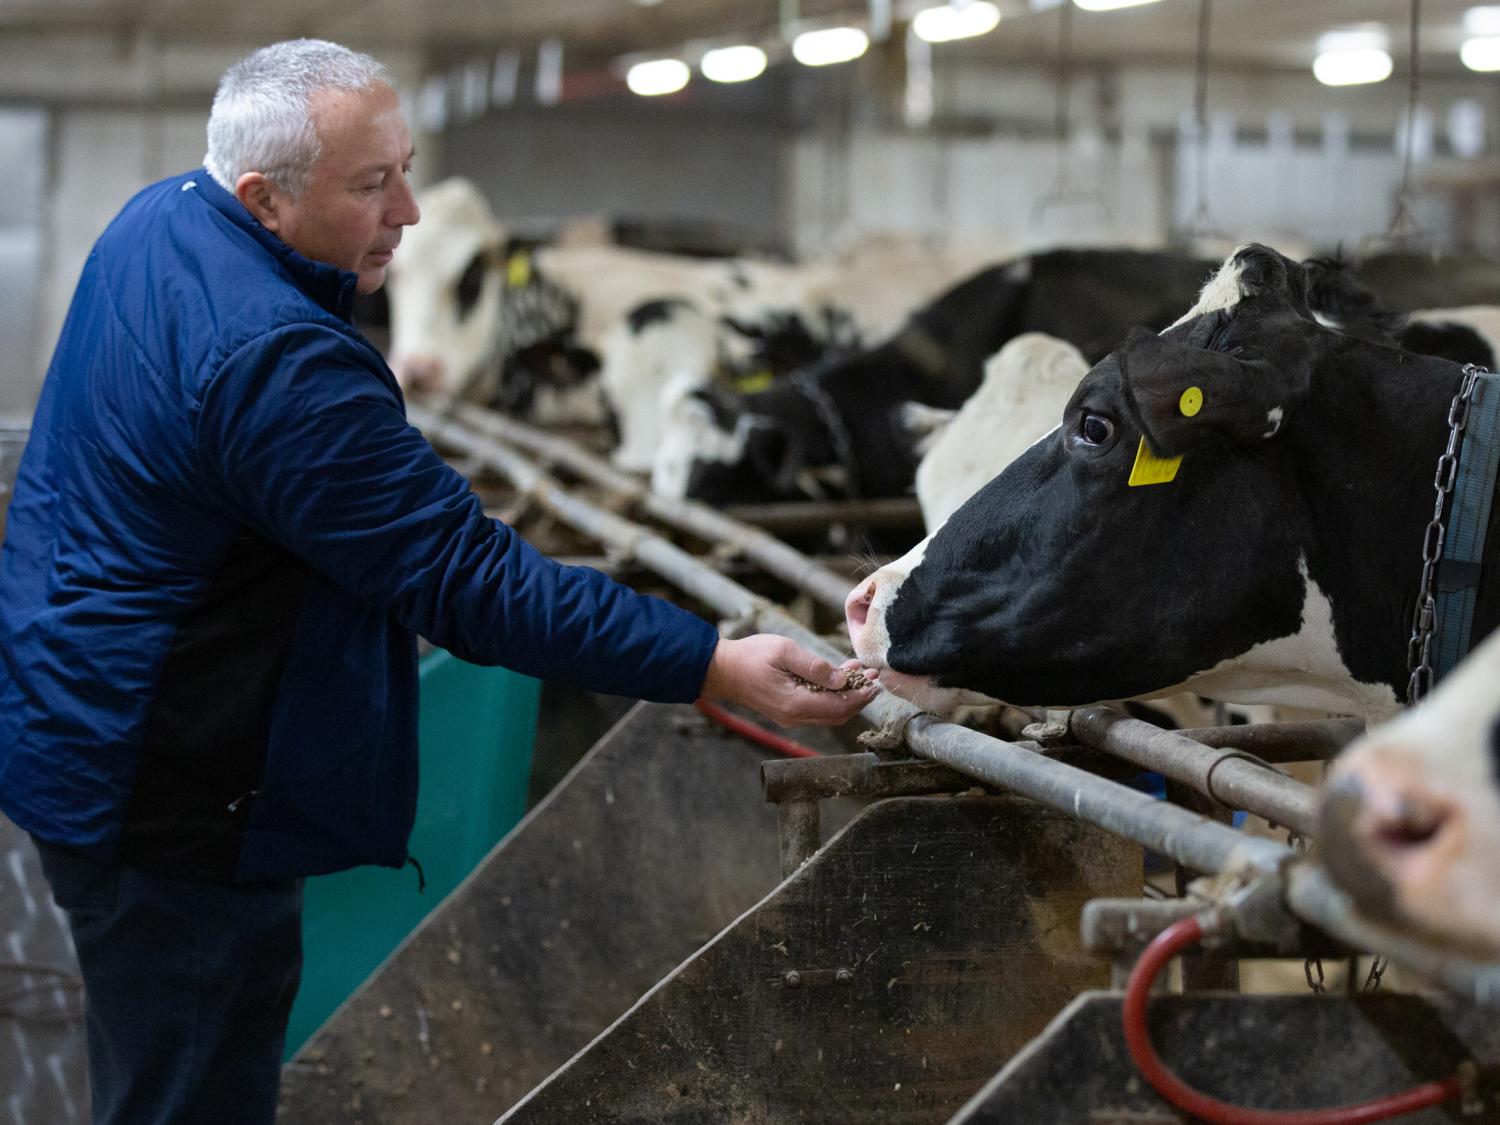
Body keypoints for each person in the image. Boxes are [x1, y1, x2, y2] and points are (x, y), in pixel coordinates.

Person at [0, 39, 878, 1124]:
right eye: (372, 185)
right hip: (171, 793)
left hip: (84, 722)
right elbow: (470, 582)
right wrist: (706, 660)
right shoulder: (274, 361)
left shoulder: (160, 220)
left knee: (160, 1069)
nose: (407, 211)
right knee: (190, 1088)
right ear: (262, 196)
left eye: (403, 167)